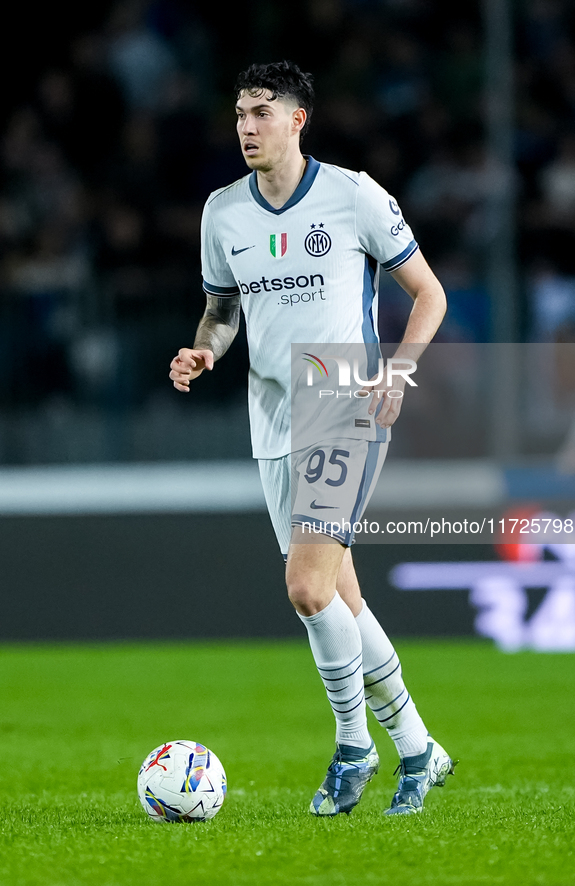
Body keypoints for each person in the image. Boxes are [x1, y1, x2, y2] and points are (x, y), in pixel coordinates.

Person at [169, 60, 454, 816]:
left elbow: (428, 293)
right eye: (238, 113)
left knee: (305, 588)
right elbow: (220, 310)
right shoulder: (222, 212)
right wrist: (205, 350)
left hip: (340, 398)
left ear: (298, 120)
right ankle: (421, 751)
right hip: (271, 417)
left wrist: (397, 372)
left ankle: (352, 747)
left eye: (261, 112)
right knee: (341, 601)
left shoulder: (351, 194)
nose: (246, 127)